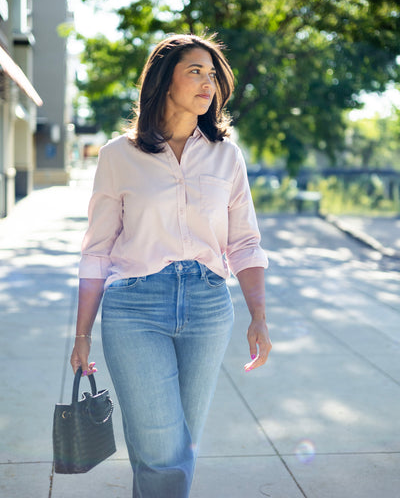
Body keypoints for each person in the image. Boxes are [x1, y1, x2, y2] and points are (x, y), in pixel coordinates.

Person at [70, 33, 272, 498]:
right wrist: (82, 334)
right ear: (164, 82)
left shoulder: (227, 156)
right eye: (195, 72)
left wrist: (258, 317)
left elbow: (244, 242)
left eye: (213, 74)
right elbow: (97, 250)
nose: (209, 83)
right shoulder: (118, 157)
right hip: (135, 308)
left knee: (174, 445)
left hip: (207, 305)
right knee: (163, 448)